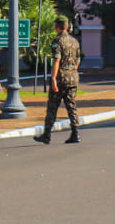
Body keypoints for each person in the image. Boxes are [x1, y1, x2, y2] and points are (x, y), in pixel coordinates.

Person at [35, 17, 82, 145]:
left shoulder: (58, 41)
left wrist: (53, 78)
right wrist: (72, 70)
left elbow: (56, 60)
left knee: (52, 106)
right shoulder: (74, 41)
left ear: (57, 27)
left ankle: (47, 134)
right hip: (73, 78)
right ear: (67, 26)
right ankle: (75, 133)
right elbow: (78, 59)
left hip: (61, 78)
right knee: (71, 105)